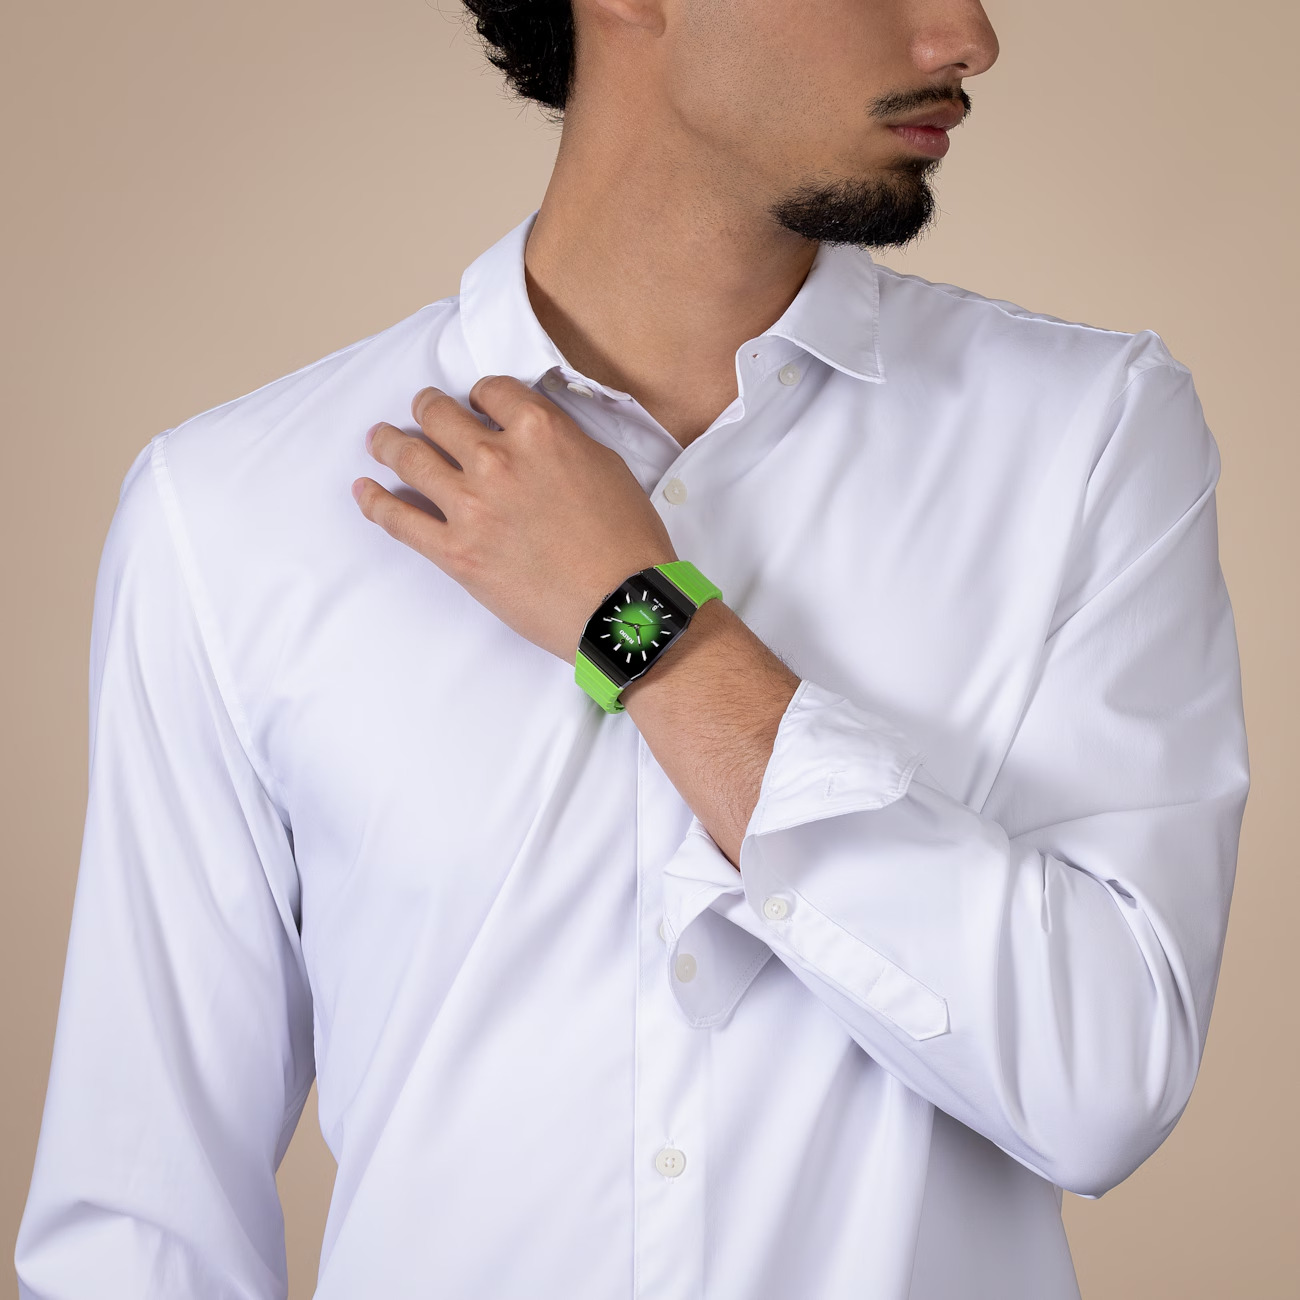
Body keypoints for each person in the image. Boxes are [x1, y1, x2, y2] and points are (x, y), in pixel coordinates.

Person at [15, 1, 1250, 1297]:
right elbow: (140, 1235)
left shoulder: (1088, 440)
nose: (966, 35)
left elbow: (1102, 1085)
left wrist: (646, 625)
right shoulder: (232, 514)